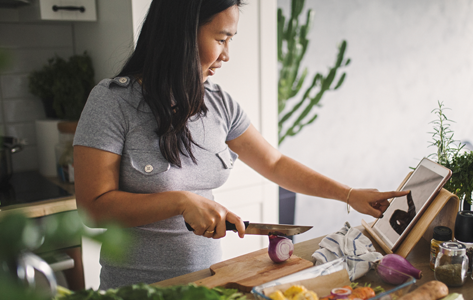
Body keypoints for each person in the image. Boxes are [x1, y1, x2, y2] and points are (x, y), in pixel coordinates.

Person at [73, 0, 409, 289]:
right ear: (182, 35)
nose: (227, 55)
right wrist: (179, 201)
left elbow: (274, 164)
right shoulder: (112, 102)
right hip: (138, 290)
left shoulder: (219, 104)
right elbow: (93, 207)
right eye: (221, 38)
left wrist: (349, 195)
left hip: (208, 283)